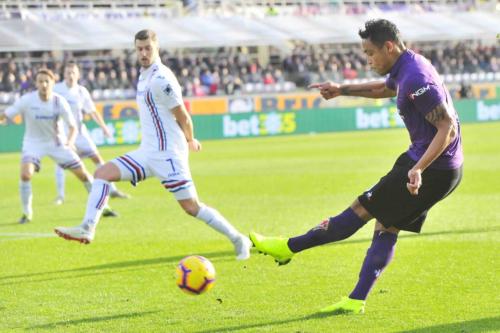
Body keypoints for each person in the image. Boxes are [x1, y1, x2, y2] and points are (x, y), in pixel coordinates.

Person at [249, 19, 463, 314]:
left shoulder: (416, 76)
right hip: (438, 165)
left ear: (389, 47)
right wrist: (341, 90)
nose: (368, 60)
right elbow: (383, 90)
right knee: (387, 225)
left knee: (361, 209)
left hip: (430, 165)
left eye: (370, 53)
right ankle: (355, 300)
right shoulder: (405, 66)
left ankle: (288, 247)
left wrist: (419, 169)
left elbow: (446, 127)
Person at [54, 29, 252, 260]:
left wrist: (190, 139)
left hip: (168, 156)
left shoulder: (161, 79)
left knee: (191, 207)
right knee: (102, 173)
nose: (144, 53)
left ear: (157, 47)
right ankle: (88, 227)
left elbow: (183, 115)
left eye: (148, 48)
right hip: (147, 153)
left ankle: (239, 239)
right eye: (139, 49)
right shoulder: (143, 75)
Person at [0, 69, 116, 224]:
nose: (44, 84)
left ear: (53, 83)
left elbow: (73, 127)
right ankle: (26, 214)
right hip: (33, 143)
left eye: (47, 81)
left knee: (83, 174)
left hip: (58, 143)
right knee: (25, 174)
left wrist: (69, 142)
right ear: (36, 83)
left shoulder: (59, 101)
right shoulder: (27, 100)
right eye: (40, 81)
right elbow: (6, 115)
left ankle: (104, 207)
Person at [52, 62, 129, 205]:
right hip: (64, 134)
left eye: (73, 72)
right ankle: (60, 196)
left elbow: (92, 111)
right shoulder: (57, 90)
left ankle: (112, 190)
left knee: (97, 158)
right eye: (68, 72)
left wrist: (104, 127)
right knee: (61, 163)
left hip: (80, 134)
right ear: (64, 74)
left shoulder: (81, 91)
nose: (71, 75)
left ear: (78, 74)